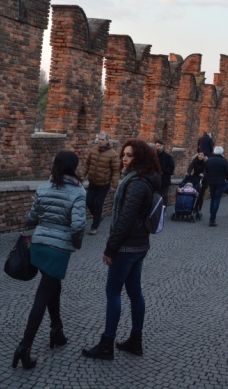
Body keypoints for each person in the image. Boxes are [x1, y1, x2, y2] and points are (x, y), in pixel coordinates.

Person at [82, 139, 161, 360]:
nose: (123, 159)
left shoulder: (136, 183)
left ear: (140, 158)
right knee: (135, 292)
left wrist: (110, 249)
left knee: (113, 292)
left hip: (127, 247)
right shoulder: (144, 179)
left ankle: (107, 343)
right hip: (139, 245)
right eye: (123, 155)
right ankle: (136, 340)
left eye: (129, 155)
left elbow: (125, 220)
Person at [11, 151, 86, 370]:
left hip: (39, 244)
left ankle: (57, 330)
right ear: (73, 167)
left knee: (53, 287)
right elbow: (79, 226)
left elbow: (32, 218)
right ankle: (24, 346)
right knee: (42, 296)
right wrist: (76, 244)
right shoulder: (78, 192)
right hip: (58, 249)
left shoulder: (43, 188)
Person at [79, 132, 120, 235]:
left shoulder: (113, 154)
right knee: (88, 201)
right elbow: (87, 164)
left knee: (98, 204)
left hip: (104, 184)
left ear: (107, 141)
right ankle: (99, 217)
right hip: (92, 182)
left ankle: (94, 226)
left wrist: (114, 185)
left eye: (102, 139)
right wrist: (82, 175)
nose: (100, 141)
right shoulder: (93, 151)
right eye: (99, 139)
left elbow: (116, 171)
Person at [201, 146, 228, 227]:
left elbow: (205, 170)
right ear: (221, 152)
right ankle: (212, 219)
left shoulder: (209, 160)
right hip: (220, 182)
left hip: (211, 182)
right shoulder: (223, 160)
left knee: (212, 199)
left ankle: (212, 215)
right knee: (216, 200)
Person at [155, 140, 175, 208]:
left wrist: (164, 171)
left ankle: (164, 208)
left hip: (165, 179)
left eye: (160, 146)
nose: (158, 147)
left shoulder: (167, 156)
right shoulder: (155, 157)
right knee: (157, 195)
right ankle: (158, 209)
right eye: (157, 146)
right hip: (157, 179)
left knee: (165, 195)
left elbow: (172, 166)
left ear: (162, 146)